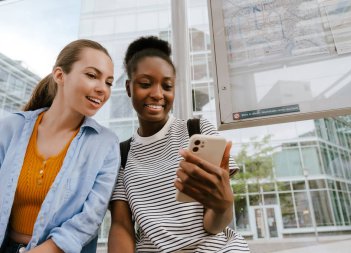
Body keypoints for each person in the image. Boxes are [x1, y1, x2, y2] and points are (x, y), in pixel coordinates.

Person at [108, 36, 250, 252]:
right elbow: (121, 226)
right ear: (129, 88)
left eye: (167, 86)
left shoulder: (198, 130)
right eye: (146, 84)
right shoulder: (122, 154)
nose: (157, 94)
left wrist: (222, 207)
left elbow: (213, 226)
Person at [0, 39, 120, 253]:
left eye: (109, 82)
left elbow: (90, 218)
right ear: (59, 75)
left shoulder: (106, 144)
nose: (102, 89)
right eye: (92, 76)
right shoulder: (11, 127)